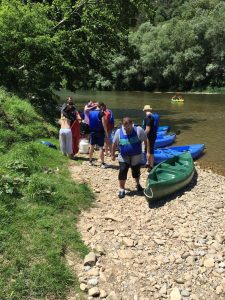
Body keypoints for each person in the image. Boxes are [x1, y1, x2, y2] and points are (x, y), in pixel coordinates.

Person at [111, 117, 147, 199]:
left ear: (132, 124)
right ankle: (121, 189)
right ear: (123, 125)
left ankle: (137, 184)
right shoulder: (119, 132)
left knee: (136, 170)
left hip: (136, 155)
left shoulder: (138, 130)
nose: (126, 129)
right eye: (125, 127)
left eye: (128, 127)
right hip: (123, 156)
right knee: (123, 170)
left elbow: (145, 140)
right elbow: (114, 144)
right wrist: (112, 154)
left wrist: (146, 150)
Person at [88, 102, 109, 168]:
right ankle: (102, 163)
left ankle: (90, 161)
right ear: (101, 107)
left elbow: (89, 122)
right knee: (100, 147)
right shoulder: (101, 113)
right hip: (100, 132)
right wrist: (106, 132)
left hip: (92, 132)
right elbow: (103, 123)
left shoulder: (90, 112)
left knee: (91, 146)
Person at [142, 104, 159, 171]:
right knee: (149, 150)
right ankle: (148, 163)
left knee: (149, 151)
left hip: (149, 136)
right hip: (153, 135)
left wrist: (142, 136)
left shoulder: (148, 117)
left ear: (145, 110)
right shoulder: (153, 116)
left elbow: (147, 129)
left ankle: (150, 166)